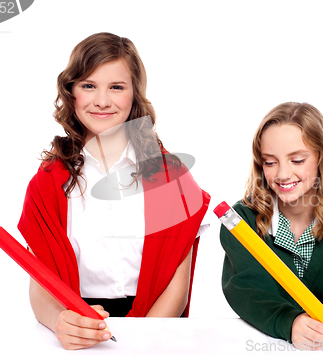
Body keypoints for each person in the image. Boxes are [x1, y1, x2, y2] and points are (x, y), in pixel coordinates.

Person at [18, 32, 210, 350]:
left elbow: (178, 285)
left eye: (116, 87)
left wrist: (141, 339)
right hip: (79, 322)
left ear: (135, 94)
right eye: (89, 85)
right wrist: (59, 321)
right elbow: (40, 281)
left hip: (155, 327)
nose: (102, 101)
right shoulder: (49, 181)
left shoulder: (168, 175)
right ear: (71, 93)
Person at [220, 102, 323, 350]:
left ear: (322, 158)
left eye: (297, 160)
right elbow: (247, 291)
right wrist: (290, 322)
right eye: (270, 162)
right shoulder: (242, 222)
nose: (283, 174)